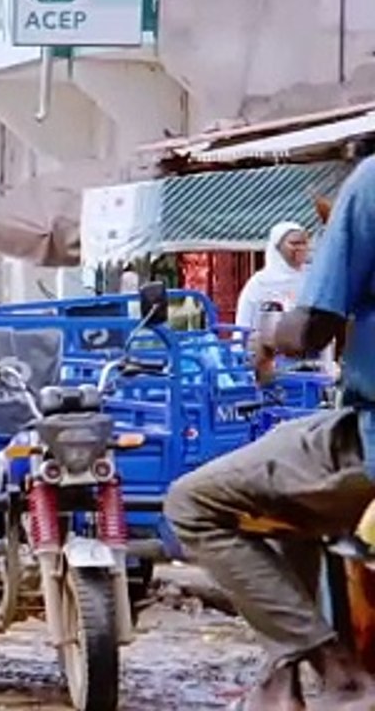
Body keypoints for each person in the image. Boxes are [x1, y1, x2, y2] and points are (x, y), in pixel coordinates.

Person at [164, 158, 375, 711]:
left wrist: (265, 334)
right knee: (291, 494)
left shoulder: (370, 182)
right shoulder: (264, 277)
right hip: (334, 412)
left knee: (193, 501)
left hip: (368, 440)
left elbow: (309, 330)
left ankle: (337, 671)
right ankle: (278, 676)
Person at [234, 221, 310, 330]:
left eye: (304, 243)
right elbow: (244, 323)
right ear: (277, 247)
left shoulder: (312, 278)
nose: (301, 248)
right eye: (294, 243)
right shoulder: (260, 282)